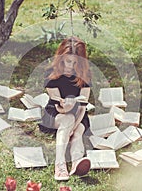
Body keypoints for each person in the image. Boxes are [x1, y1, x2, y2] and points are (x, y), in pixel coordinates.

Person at [40, 36, 92, 181]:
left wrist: (74, 127)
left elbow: (83, 106)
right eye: (68, 61)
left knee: (79, 132)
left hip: (79, 113)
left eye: (76, 63)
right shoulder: (50, 72)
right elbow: (58, 105)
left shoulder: (85, 73)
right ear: (61, 57)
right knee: (67, 119)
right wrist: (66, 109)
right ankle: (60, 164)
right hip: (56, 112)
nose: (71, 66)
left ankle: (76, 162)